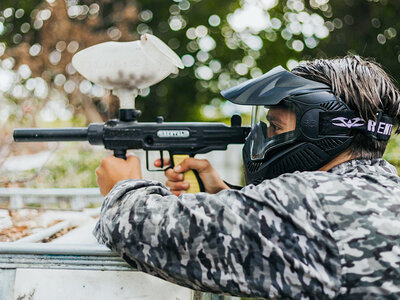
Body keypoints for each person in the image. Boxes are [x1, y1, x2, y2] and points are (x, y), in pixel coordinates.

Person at [94, 56, 400, 299]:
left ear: (321, 127)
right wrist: (226, 193)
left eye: (275, 127)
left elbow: (153, 232)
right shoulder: (384, 188)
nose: (264, 136)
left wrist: (121, 189)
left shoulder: (311, 204)